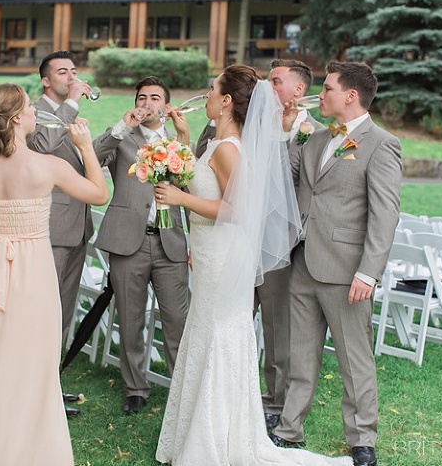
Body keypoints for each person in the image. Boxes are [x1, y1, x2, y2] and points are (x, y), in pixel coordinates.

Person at [154, 64, 351, 466]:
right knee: (206, 334)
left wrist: (181, 200)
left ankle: (219, 437)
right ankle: (195, 431)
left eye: (212, 90)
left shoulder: (230, 148)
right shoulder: (216, 144)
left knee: (221, 335)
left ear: (226, 101)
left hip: (224, 257)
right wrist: (183, 142)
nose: (206, 95)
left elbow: (238, 209)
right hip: (210, 253)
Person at [0, 83, 108, 465]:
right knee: (32, 366)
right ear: (16, 119)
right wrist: (85, 146)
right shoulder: (47, 165)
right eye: (28, 108)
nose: (33, 113)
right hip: (34, 277)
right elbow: (99, 193)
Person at [271, 61, 402, 466]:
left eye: (327, 89)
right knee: (300, 354)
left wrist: (368, 271)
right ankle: (288, 429)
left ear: (350, 95)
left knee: (354, 358)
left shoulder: (382, 144)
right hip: (303, 263)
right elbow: (283, 174)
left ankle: (363, 439)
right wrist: (286, 130)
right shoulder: (315, 138)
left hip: (347, 273)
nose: (319, 94)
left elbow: (385, 215)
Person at [92, 76, 190, 415]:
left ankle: (182, 388)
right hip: (127, 242)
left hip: (170, 244)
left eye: (155, 97)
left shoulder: (179, 142)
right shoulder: (122, 138)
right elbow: (91, 156)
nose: (148, 102)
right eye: (142, 97)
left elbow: (192, 189)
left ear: (165, 105)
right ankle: (135, 388)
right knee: (130, 319)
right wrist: (121, 126)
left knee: (177, 318)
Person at [28, 51, 96, 416]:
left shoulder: (69, 115)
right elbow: (41, 146)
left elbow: (82, 160)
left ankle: (49, 385)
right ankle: (34, 389)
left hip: (77, 227)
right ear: (45, 79)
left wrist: (118, 132)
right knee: (44, 311)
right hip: (49, 229)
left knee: (64, 312)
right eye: (63, 71)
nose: (71, 77)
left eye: (74, 71)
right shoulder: (34, 112)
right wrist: (70, 103)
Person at [258, 58, 323, 430]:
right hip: (250, 235)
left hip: (285, 243)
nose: (269, 86)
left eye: (276, 80)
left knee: (277, 321)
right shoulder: (261, 125)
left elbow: (299, 182)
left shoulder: (311, 132)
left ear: (298, 90)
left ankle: (276, 397)